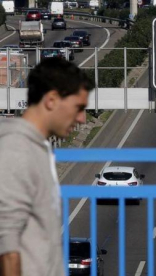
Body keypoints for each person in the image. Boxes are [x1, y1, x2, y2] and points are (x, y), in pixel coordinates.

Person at [0, 58, 94, 276]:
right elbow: (7, 247)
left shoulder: (37, 148)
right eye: (78, 108)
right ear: (51, 100)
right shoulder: (16, 149)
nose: (81, 118)